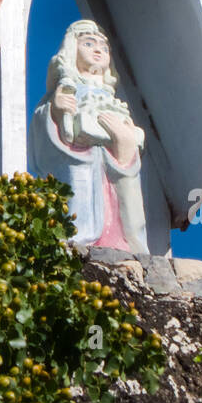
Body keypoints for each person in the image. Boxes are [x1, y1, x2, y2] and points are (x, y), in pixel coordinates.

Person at [28, 19, 148, 252]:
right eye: (89, 44)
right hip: (80, 164)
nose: (98, 51)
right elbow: (42, 129)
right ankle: (79, 236)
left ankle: (124, 240)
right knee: (78, 193)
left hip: (114, 164)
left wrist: (125, 143)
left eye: (104, 48)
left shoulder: (112, 99)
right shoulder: (67, 88)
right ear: (73, 48)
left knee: (124, 197)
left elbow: (129, 139)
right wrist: (56, 110)